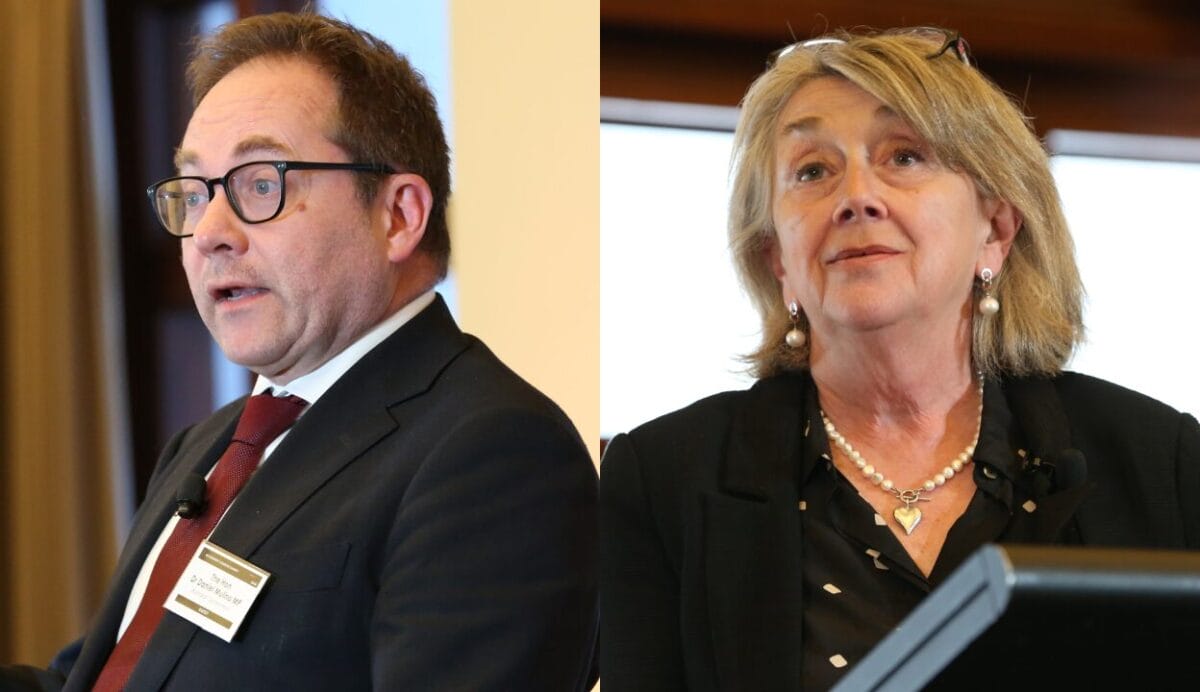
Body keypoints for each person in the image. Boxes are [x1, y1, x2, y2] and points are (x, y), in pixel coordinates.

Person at [1, 11, 597, 692]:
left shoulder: (495, 451)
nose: (209, 233)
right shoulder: (210, 446)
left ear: (398, 215)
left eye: (261, 183)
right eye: (194, 193)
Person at [598, 26, 1200, 690]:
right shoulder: (662, 481)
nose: (856, 197)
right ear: (778, 261)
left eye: (905, 156)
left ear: (996, 231)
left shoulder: (1161, 462)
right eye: (812, 170)